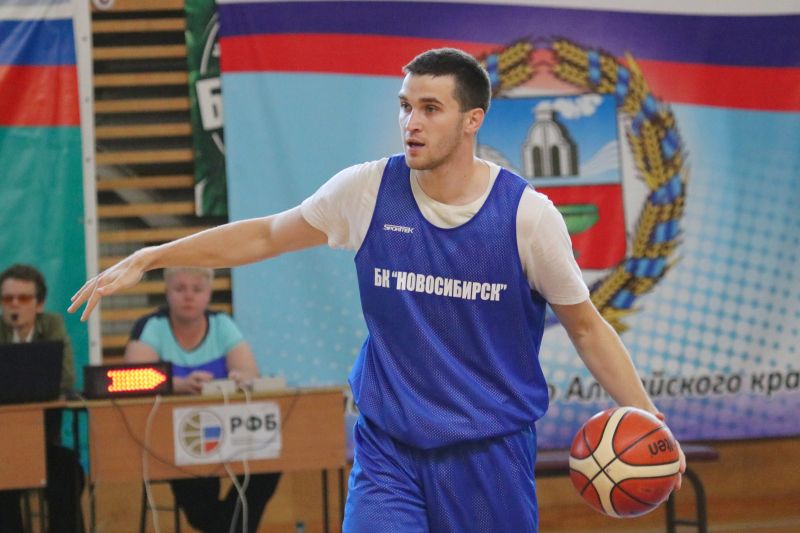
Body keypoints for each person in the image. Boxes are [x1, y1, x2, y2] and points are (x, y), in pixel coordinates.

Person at [71, 48, 685, 532]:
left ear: (472, 120)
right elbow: (264, 235)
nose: (411, 122)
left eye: (430, 108)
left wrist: (651, 422)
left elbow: (586, 327)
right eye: (405, 106)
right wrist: (153, 256)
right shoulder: (367, 191)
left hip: (487, 452)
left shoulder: (528, 217)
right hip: (389, 446)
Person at [125, 267, 280, 533]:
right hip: (173, 439)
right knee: (201, 500)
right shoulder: (151, 327)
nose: (189, 296)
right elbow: (132, 379)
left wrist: (238, 380)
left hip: (229, 434)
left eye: (197, 289)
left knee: (269, 465)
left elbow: (249, 373)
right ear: (167, 292)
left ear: (208, 293)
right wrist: (178, 384)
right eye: (180, 289)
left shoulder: (222, 324)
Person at [0, 264, 84, 533]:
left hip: (44, 441)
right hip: (2, 446)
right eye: (7, 298)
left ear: (39, 304)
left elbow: (66, 377)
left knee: (69, 473)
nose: (15, 305)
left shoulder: (52, 325)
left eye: (24, 298)